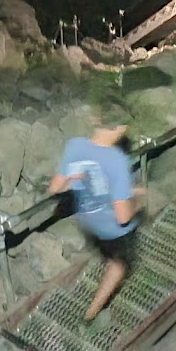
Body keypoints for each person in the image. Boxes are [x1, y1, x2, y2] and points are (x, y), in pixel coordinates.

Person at [48, 102, 142, 323]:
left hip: (86, 218)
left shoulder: (75, 146)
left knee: (106, 250)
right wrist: (137, 200)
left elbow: (55, 187)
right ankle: (90, 315)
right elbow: (123, 217)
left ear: (97, 120)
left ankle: (105, 259)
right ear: (120, 128)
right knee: (120, 264)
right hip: (110, 227)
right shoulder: (117, 161)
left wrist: (80, 177)